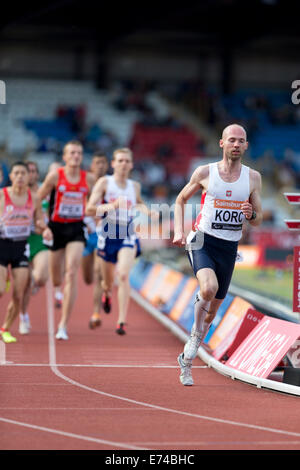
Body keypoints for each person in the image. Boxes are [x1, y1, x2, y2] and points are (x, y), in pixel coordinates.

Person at [173, 124, 263, 386]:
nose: (236, 144)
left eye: (241, 141)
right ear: (221, 143)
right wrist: (180, 230)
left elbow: (257, 220)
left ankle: (198, 334)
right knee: (209, 287)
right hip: (202, 240)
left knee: (213, 310)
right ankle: (191, 344)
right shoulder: (205, 172)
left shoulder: (253, 178)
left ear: (246, 146)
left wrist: (251, 215)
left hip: (229, 247)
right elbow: (180, 199)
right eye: (231, 140)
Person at [86, 147, 158, 335]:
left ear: (132, 165)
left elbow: (139, 202)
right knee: (107, 282)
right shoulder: (104, 183)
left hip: (127, 231)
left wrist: (147, 211)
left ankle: (121, 321)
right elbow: (89, 209)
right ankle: (107, 294)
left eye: (127, 161)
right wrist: (112, 205)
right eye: (120, 161)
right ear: (113, 163)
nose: (124, 164)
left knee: (124, 275)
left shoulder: (134, 186)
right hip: (108, 232)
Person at [37, 140, 95, 340]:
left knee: (71, 272)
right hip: (56, 228)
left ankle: (63, 325)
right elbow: (37, 199)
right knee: (57, 278)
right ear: (65, 156)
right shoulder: (55, 176)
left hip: (76, 228)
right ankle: (56, 289)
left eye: (79, 153)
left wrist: (92, 219)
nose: (76, 156)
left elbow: (99, 200)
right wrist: (43, 226)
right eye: (72, 153)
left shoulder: (89, 179)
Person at [0, 161, 52, 343]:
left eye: (24, 173)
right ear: (11, 176)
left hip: (21, 246)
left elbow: (38, 222)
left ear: (28, 176)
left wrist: (44, 229)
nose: (21, 176)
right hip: (2, 245)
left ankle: (5, 328)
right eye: (17, 173)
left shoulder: (35, 198)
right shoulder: (2, 195)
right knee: (0, 290)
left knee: (19, 292)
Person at [18, 161, 50, 334]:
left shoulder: (44, 194)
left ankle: (35, 282)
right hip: (20, 240)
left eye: (33, 171)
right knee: (23, 285)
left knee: (41, 277)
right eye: (27, 171)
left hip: (39, 241)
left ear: (37, 174)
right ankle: (23, 316)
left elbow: (51, 214)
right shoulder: (15, 193)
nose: (30, 174)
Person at [81, 152, 109, 329]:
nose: (100, 166)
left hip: (103, 233)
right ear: (91, 165)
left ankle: (96, 312)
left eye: (103, 163)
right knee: (88, 278)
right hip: (86, 233)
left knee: (99, 274)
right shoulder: (84, 184)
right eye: (97, 162)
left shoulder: (110, 185)